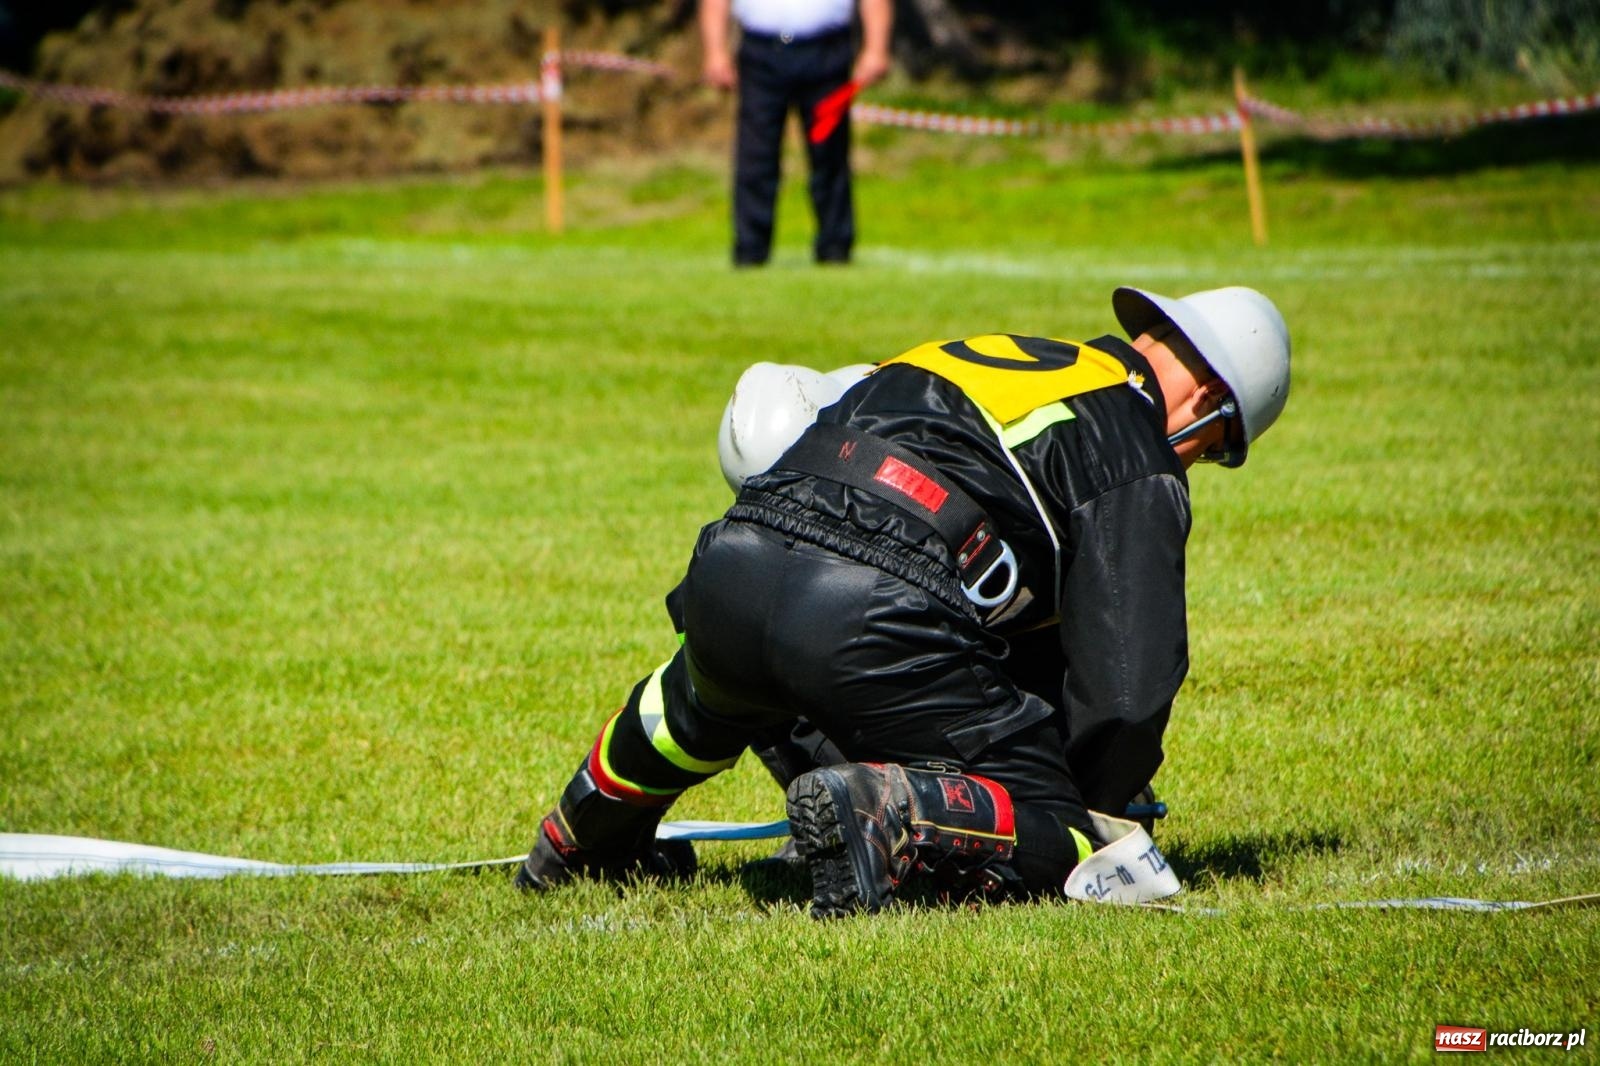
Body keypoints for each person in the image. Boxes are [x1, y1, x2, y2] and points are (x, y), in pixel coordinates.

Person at [514, 286, 1292, 916]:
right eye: (1215, 449)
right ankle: (883, 807)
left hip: (731, 569)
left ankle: (578, 838)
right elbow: (1130, 688)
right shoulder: (1134, 441)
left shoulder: (983, 355)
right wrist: (1080, 804)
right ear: (1209, 410)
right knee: (1064, 831)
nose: (1196, 461)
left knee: (694, 706)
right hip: (869, 612)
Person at [699, 0, 893, 266]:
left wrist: (876, 48)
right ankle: (750, 250)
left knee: (830, 153)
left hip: (827, 51)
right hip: (762, 51)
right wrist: (715, 50)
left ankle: (835, 247)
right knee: (756, 155)